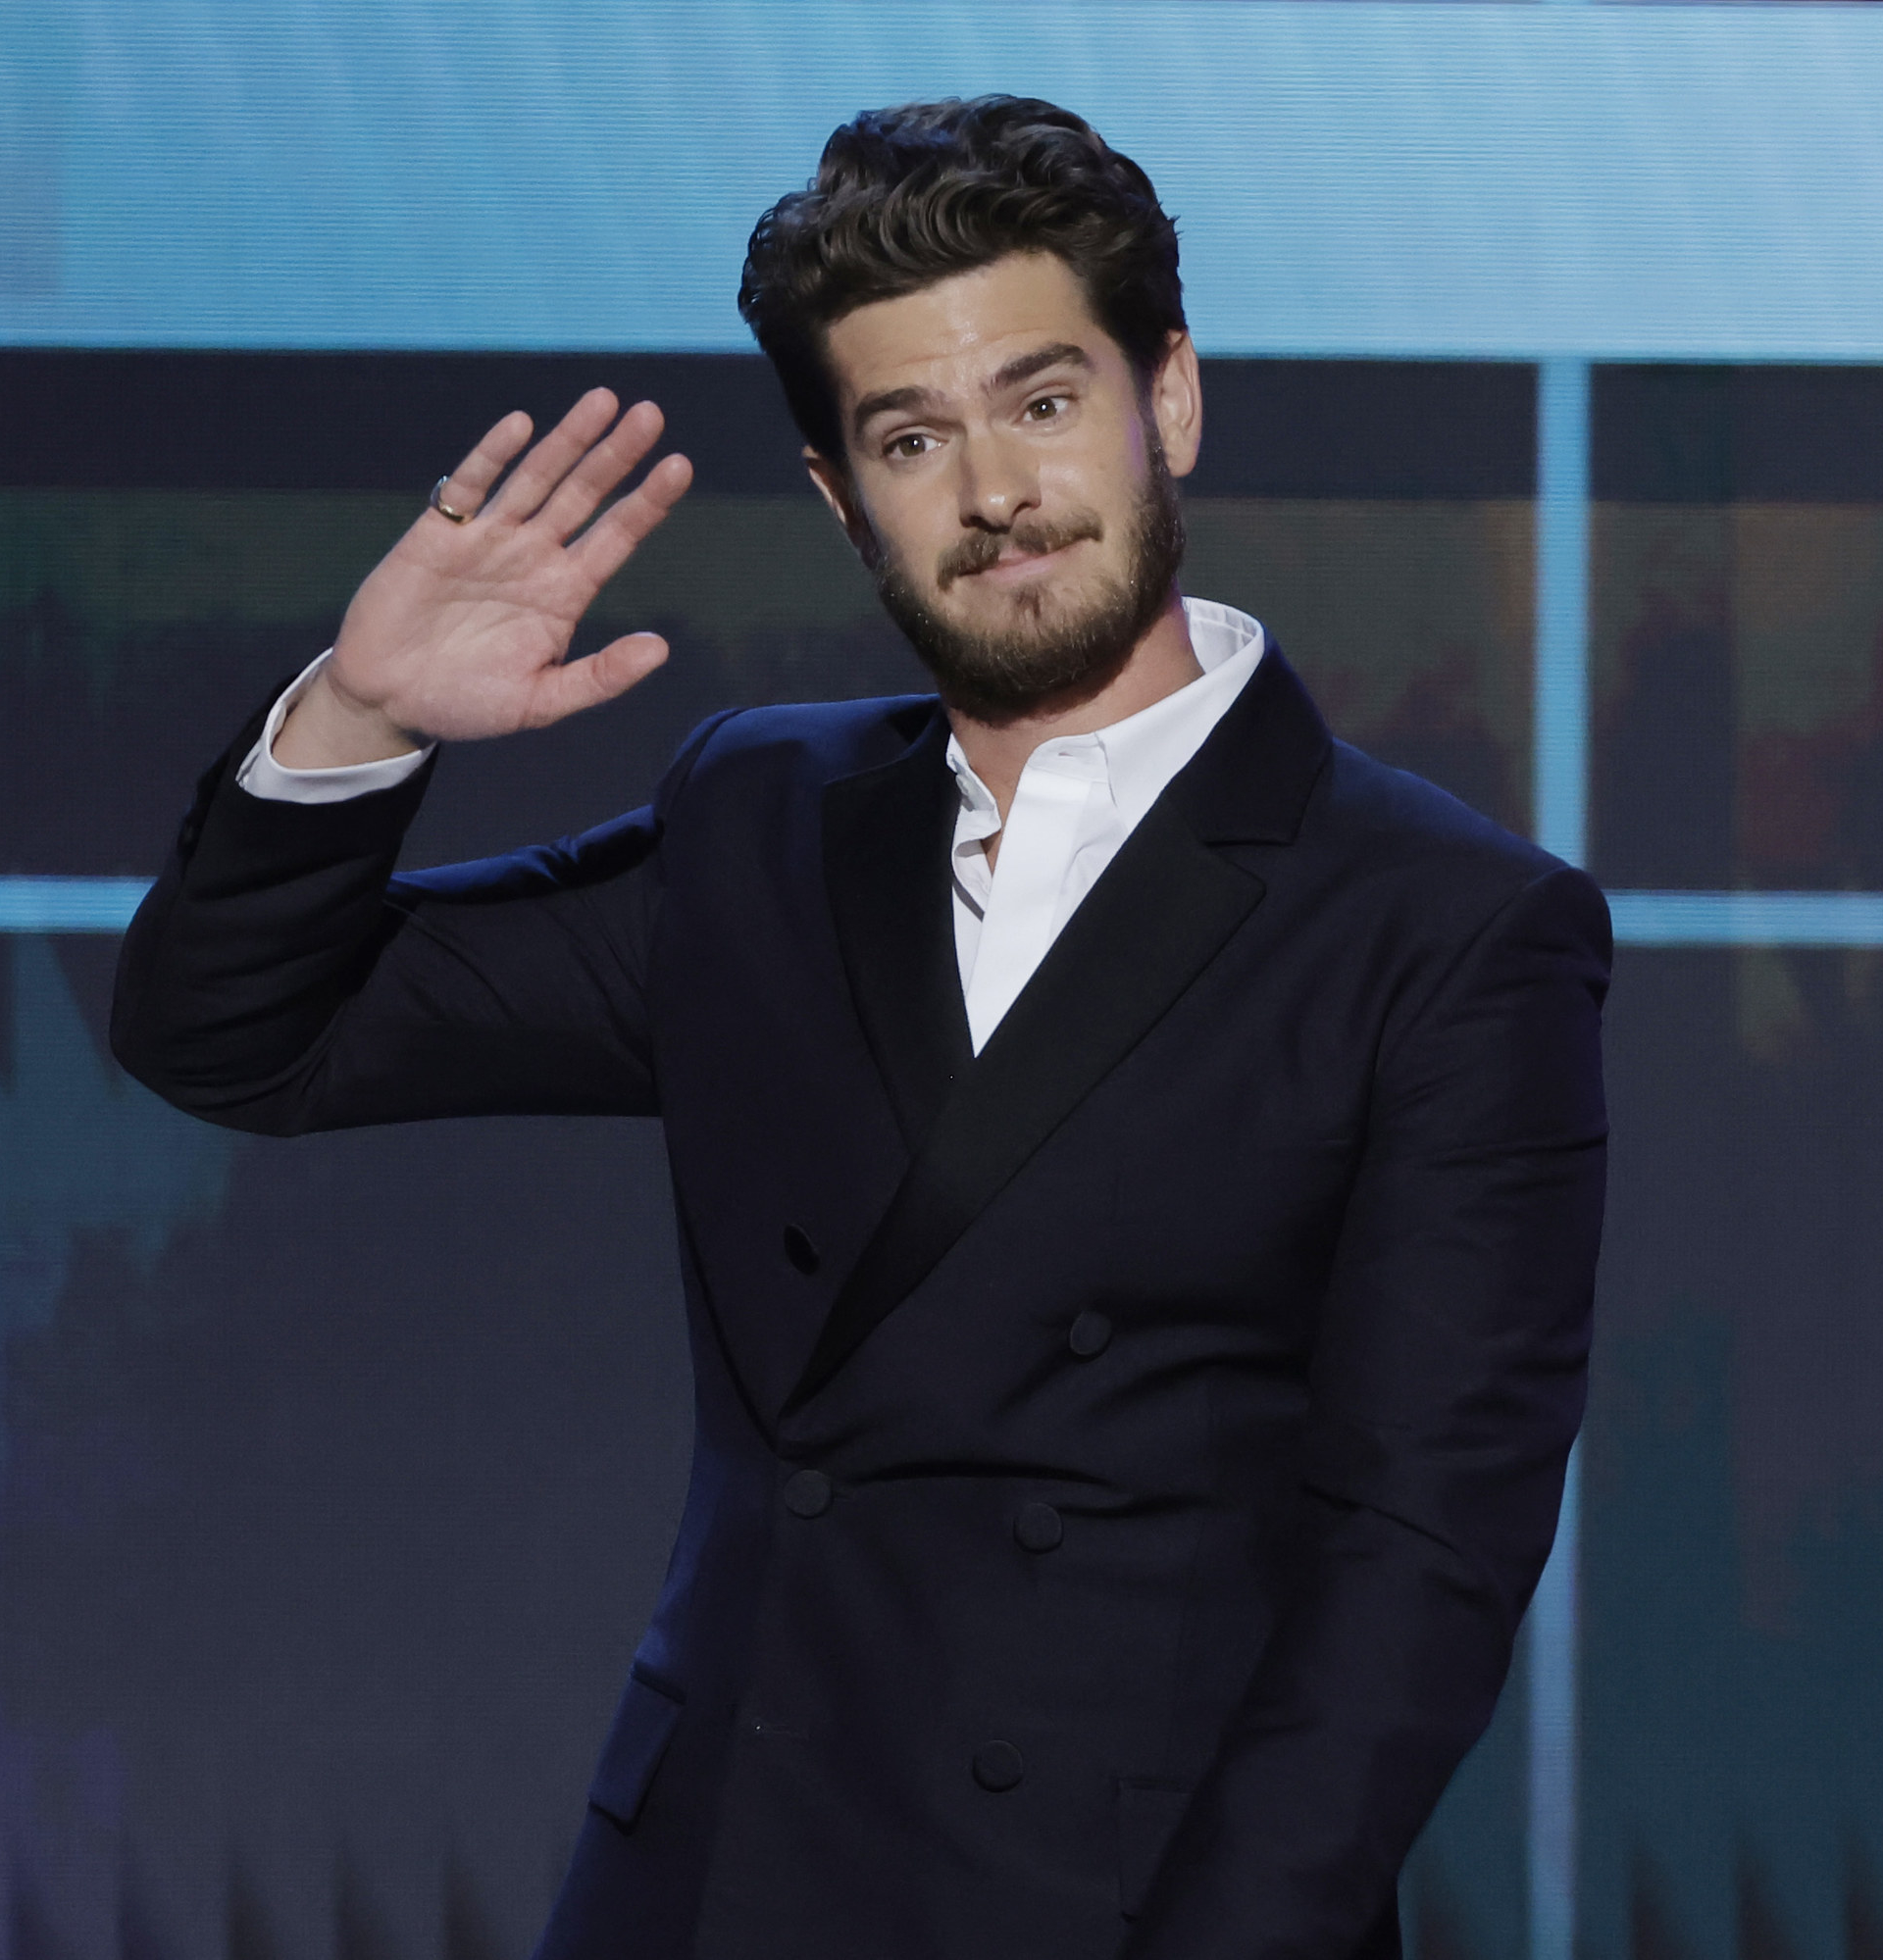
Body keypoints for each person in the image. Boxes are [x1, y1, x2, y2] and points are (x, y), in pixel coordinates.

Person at [114, 94, 1608, 1960]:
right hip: (717, 1880)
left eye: (1045, 403)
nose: (993, 492)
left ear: (1174, 400)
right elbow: (241, 1038)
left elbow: (1421, 1562)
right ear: (843, 497)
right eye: (915, 437)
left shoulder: (1446, 923)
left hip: (1114, 1912)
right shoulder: (770, 816)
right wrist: (360, 714)